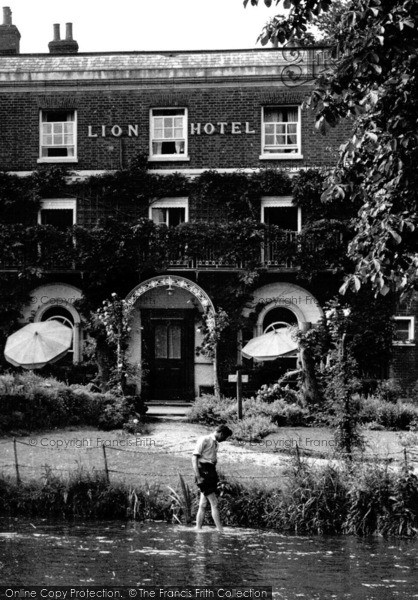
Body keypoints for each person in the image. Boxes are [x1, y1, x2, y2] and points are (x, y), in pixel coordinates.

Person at [192, 424, 233, 532]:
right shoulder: (204, 440)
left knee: (203, 504)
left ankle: (198, 529)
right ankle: (220, 530)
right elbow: (194, 457)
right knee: (214, 503)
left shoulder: (215, 443)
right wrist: (198, 476)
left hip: (211, 471)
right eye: (224, 437)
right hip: (203, 472)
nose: (224, 440)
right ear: (221, 433)